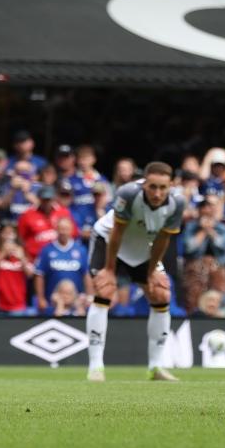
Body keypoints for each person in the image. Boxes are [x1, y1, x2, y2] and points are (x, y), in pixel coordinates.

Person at [87, 162, 185, 382]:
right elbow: (117, 234)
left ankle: (156, 367)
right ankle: (96, 367)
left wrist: (151, 272)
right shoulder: (128, 194)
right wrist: (110, 270)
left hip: (142, 249)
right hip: (108, 241)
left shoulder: (177, 202)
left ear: (171, 185)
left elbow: (163, 240)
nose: (157, 193)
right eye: (152, 187)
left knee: (161, 293)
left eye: (163, 187)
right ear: (144, 184)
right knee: (105, 290)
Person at [182, 196, 225, 311]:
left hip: (218, 266)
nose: (206, 214)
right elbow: (189, 248)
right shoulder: (191, 227)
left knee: (218, 295)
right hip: (195, 268)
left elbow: (224, 245)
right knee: (193, 297)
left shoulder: (223, 228)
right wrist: (203, 231)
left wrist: (210, 230)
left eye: (209, 211)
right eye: (203, 211)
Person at [34, 217, 89, 314]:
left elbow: (86, 274)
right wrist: (41, 298)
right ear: (56, 230)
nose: (63, 232)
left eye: (66, 229)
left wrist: (90, 295)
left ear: (71, 230)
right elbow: (39, 275)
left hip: (76, 303)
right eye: (61, 229)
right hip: (53, 302)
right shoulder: (47, 250)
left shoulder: (81, 250)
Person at [0, 223, 33, 315]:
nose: (8, 236)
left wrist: (22, 258)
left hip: (18, 303)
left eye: (11, 233)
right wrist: (2, 254)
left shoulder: (22, 251)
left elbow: (30, 274)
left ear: (16, 235)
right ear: (0, 235)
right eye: (5, 233)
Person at [17, 185, 75, 263]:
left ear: (54, 198)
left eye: (49, 199)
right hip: (35, 258)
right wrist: (27, 260)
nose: (46, 202)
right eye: (44, 199)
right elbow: (21, 239)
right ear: (39, 199)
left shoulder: (63, 212)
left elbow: (73, 234)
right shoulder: (27, 215)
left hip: (60, 259)